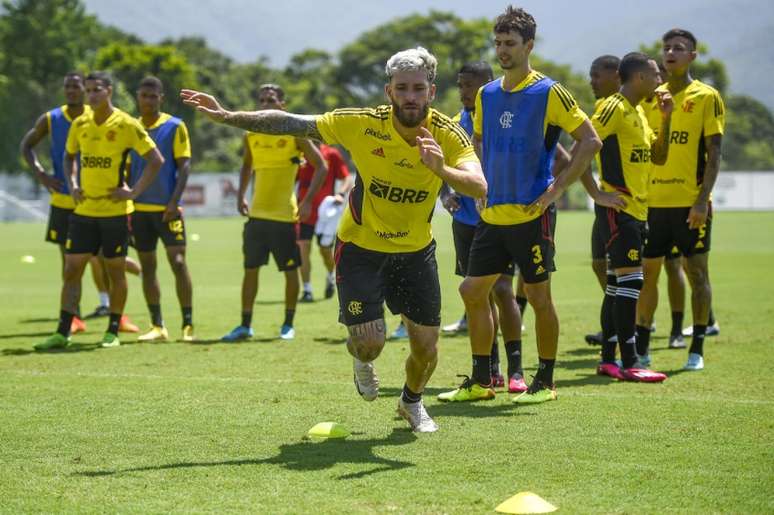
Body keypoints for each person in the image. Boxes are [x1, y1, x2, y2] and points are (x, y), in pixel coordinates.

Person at [181, 46, 486, 432]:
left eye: (418, 88)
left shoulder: (447, 132)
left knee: (426, 348)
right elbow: (289, 122)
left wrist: (441, 168)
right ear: (389, 91)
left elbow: (478, 185)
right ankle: (361, 357)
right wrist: (228, 116)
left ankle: (411, 402)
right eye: (402, 88)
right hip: (361, 248)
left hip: (415, 251)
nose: (411, 96)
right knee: (370, 344)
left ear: (432, 92)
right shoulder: (359, 123)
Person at [438, 6, 601, 405]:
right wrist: (476, 183)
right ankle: (481, 380)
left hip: (531, 218)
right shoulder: (486, 95)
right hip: (490, 217)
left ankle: (543, 381)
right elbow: (477, 145)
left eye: (510, 43)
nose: (502, 50)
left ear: (529, 45)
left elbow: (590, 140)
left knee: (540, 298)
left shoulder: (549, 91)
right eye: (497, 43)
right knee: (472, 292)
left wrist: (554, 192)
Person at [35, 71, 163, 350]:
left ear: (109, 91)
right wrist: (72, 183)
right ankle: (63, 330)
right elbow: (69, 157)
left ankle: (112, 330)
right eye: (88, 90)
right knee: (72, 270)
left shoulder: (127, 124)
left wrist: (133, 192)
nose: (90, 95)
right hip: (84, 212)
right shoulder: (80, 123)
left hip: (115, 213)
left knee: (115, 272)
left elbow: (156, 159)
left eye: (96, 90)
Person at [637, 29, 725, 371]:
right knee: (648, 275)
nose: (671, 52)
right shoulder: (650, 97)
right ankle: (643, 349)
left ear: (693, 56)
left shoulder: (706, 96)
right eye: (667, 47)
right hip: (652, 203)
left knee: (697, 274)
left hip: (690, 203)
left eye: (680, 48)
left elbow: (714, 151)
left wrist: (702, 200)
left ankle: (697, 347)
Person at [441, 60, 526, 392]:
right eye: (461, 85)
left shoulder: (503, 119)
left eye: (471, 85)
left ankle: (517, 370)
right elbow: (437, 163)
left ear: (490, 85)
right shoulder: (454, 123)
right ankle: (490, 370)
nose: (465, 92)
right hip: (465, 222)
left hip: (499, 221)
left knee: (503, 291)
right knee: (477, 297)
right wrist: (447, 193)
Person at [587, 53, 673, 381]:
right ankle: (632, 361)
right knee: (632, 282)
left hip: (637, 212)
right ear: (638, 78)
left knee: (616, 286)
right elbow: (582, 145)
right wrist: (597, 194)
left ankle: (609, 359)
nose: (660, 81)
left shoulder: (639, 112)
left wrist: (665, 118)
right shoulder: (612, 107)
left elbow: (659, 156)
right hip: (618, 210)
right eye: (655, 75)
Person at [220, 84, 328, 342]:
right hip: (257, 215)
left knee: (290, 272)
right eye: (262, 100)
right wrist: (240, 196)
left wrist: (307, 201)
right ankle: (245, 325)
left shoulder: (295, 133)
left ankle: (288, 324)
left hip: (284, 217)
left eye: (271, 100)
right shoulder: (250, 134)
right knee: (250, 270)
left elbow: (321, 166)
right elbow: (247, 165)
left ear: (282, 104)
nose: (265, 104)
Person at [20, 72, 90, 335]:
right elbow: (27, 146)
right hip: (62, 200)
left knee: (105, 260)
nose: (71, 90)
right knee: (68, 260)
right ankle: (75, 314)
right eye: (67, 86)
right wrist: (41, 174)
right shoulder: (52, 118)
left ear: (85, 88)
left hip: (95, 200)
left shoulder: (97, 116)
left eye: (76, 86)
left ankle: (113, 310)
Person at [127, 76, 195, 343]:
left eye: (153, 96)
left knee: (178, 263)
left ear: (161, 98)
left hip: (168, 210)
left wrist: (173, 202)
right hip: (139, 210)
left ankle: (188, 325)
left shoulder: (175, 126)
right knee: (148, 266)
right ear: (137, 97)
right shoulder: (130, 127)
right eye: (144, 95)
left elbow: (185, 166)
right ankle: (158, 326)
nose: (148, 100)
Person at [580, 55, 621, 346]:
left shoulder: (621, 108)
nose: (591, 81)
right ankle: (617, 321)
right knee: (598, 264)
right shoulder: (604, 109)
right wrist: (596, 193)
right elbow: (581, 153)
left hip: (625, 205)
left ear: (617, 75)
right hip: (605, 203)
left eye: (596, 75)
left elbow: (581, 149)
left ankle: (626, 324)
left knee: (626, 271)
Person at [297, 142, 353, 303]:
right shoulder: (300, 153)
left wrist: (341, 194)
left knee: (324, 250)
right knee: (303, 248)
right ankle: (307, 290)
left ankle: (330, 275)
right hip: (304, 212)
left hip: (325, 214)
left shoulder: (331, 154)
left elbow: (347, 177)